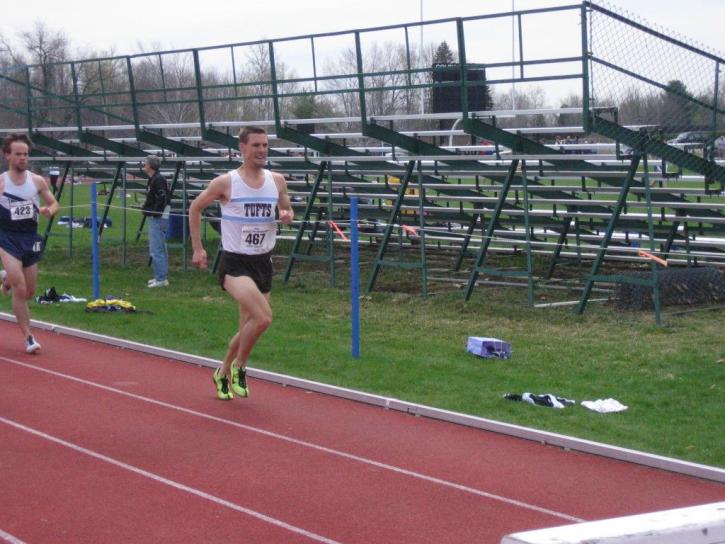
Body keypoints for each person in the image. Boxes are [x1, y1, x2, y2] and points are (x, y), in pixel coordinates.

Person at [189, 126, 294, 400]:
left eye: (265, 145)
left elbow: (286, 205)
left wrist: (286, 213)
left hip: (263, 262)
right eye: (256, 145)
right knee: (263, 318)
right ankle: (240, 367)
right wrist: (198, 248)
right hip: (235, 264)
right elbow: (195, 207)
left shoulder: (277, 180)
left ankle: (222, 372)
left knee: (249, 325)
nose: (262, 150)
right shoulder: (226, 182)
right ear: (243, 148)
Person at [0, 134, 59, 353]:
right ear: (7, 155)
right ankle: (29, 337)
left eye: (25, 154)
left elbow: (54, 204)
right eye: (18, 154)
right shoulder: (2, 182)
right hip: (7, 238)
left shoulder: (37, 181)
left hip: (30, 238)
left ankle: (6, 276)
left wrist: (48, 210)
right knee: (20, 288)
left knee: (30, 292)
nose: (23, 158)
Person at [141, 155, 170, 288]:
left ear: (151, 165)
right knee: (159, 248)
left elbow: (162, 198)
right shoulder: (154, 179)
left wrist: (154, 213)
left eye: (145, 163)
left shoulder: (158, 180)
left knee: (156, 249)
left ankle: (161, 279)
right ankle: (160, 276)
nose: (143, 165)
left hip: (158, 218)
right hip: (157, 216)